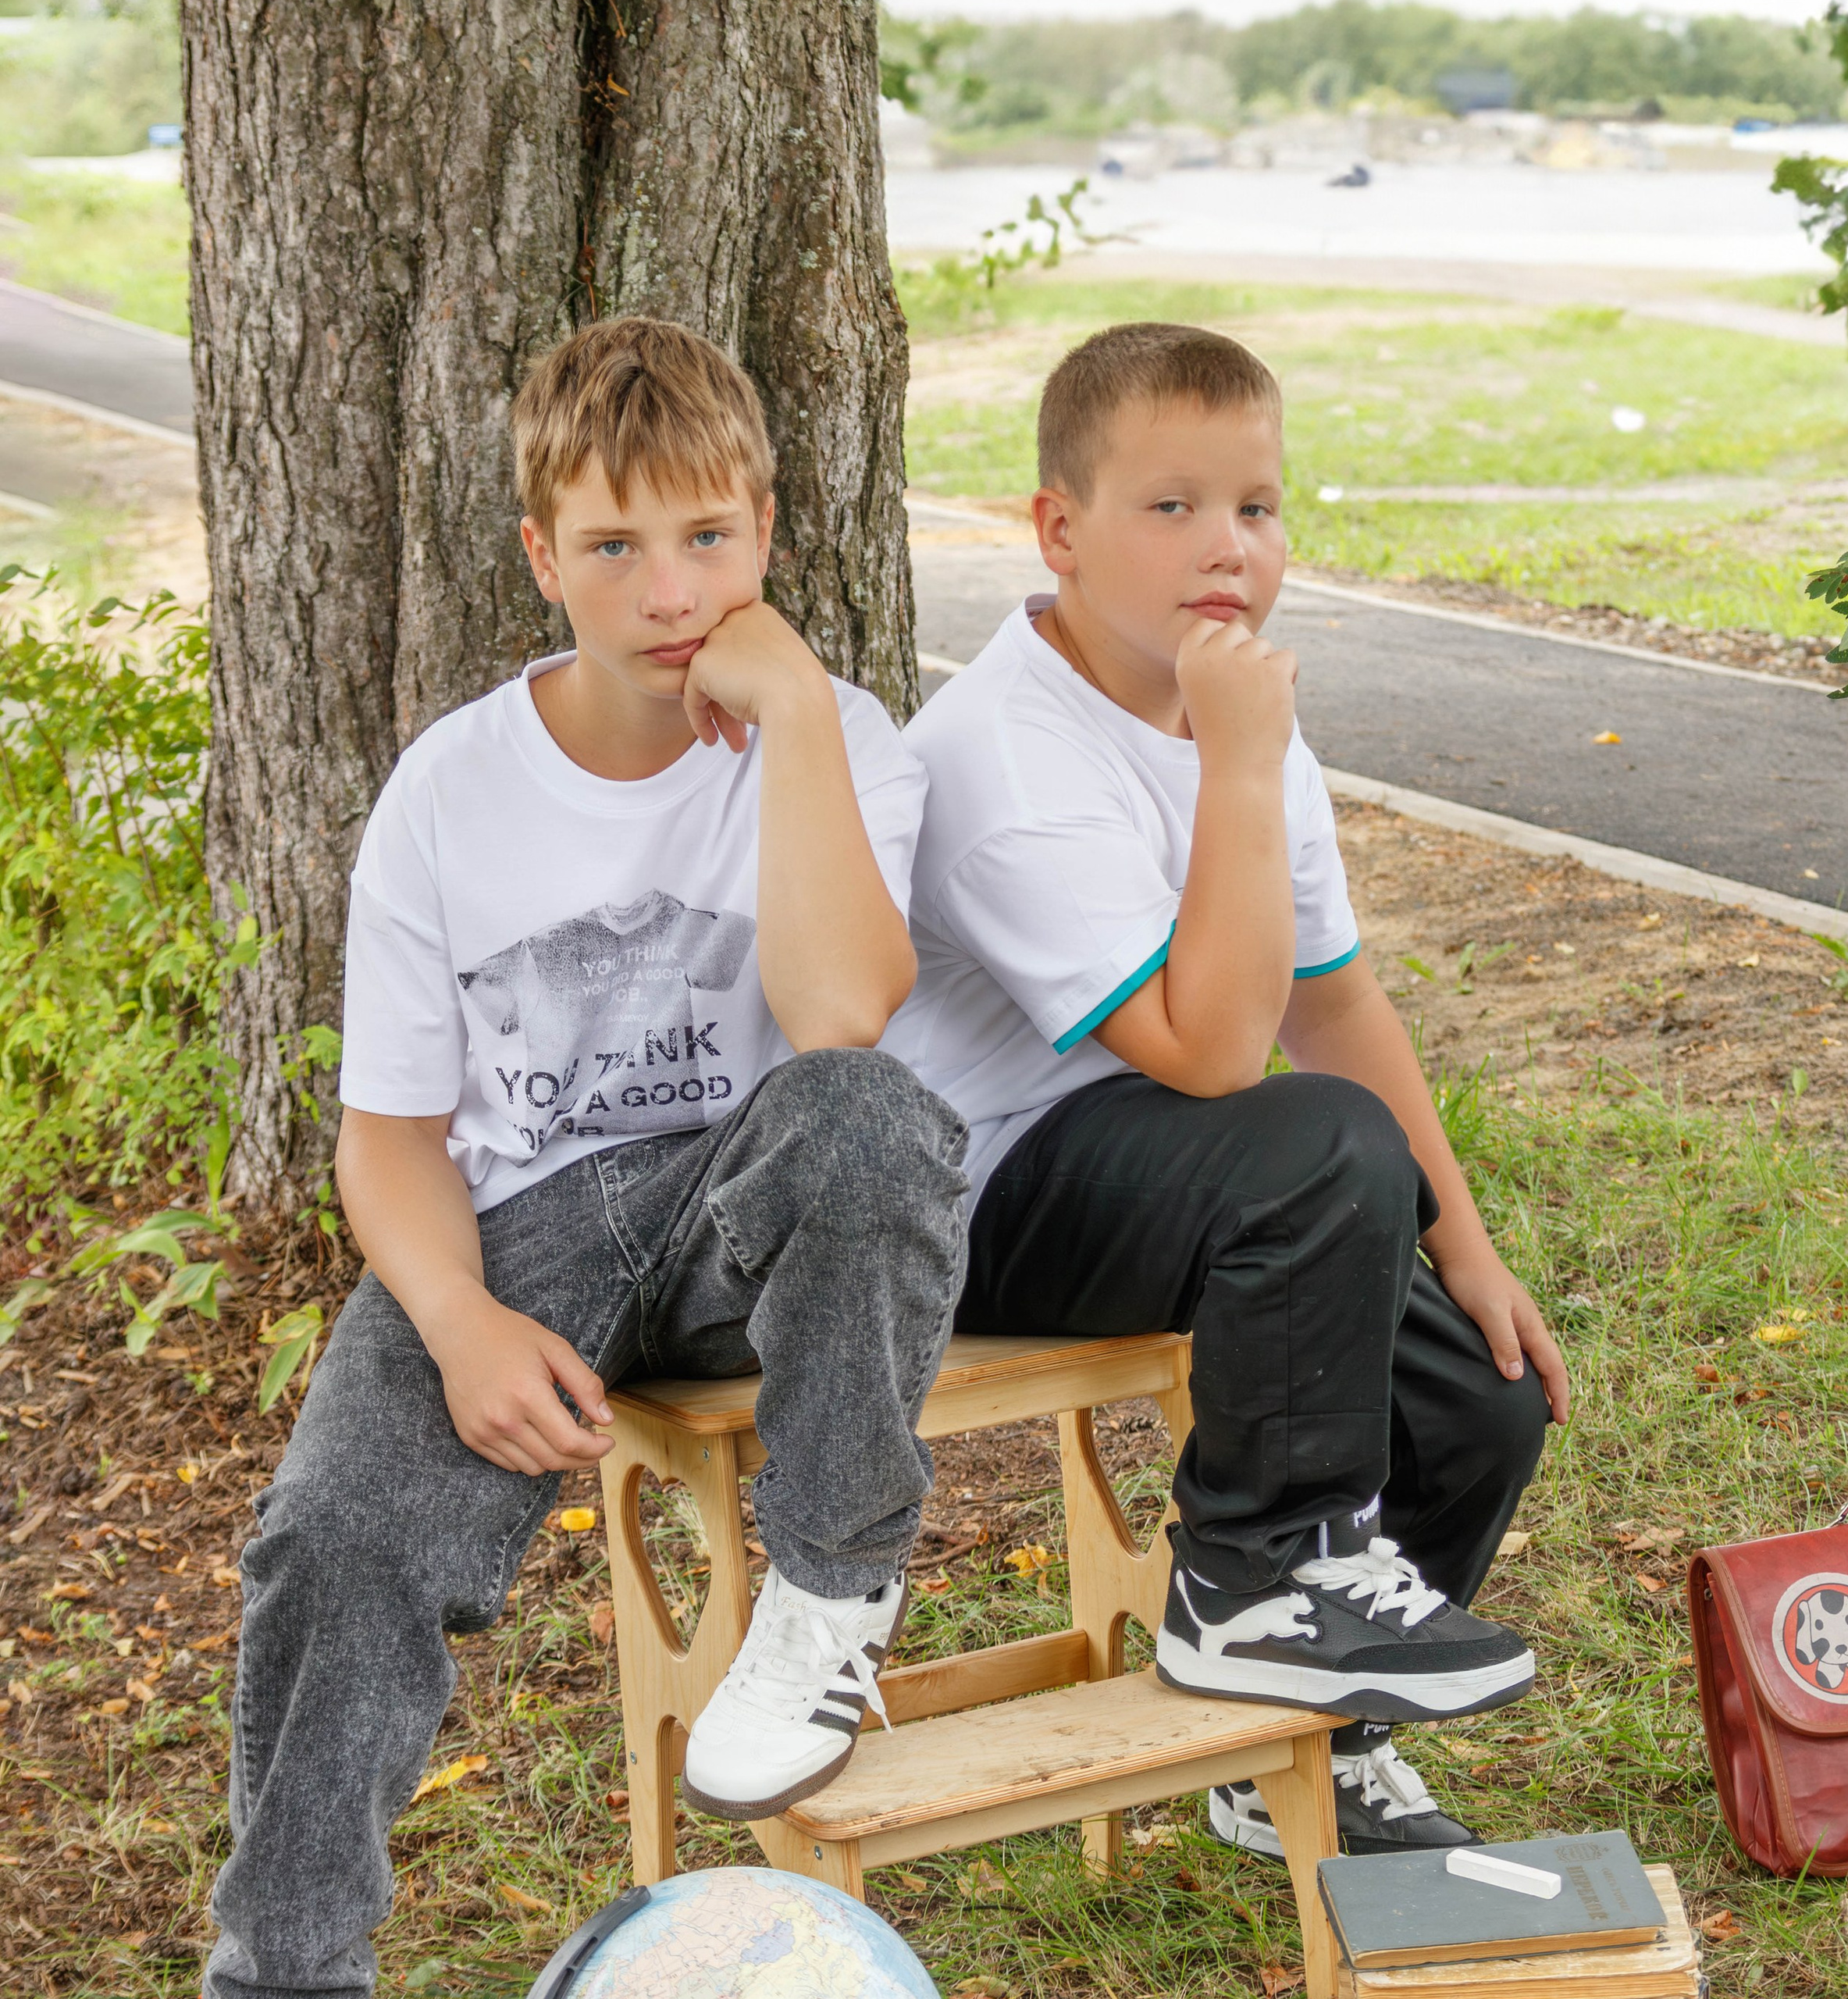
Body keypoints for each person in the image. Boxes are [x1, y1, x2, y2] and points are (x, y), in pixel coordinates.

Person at [204, 319, 968, 1999]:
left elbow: (841, 1013)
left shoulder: (838, 738)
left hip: (739, 1221)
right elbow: (388, 1135)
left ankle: (834, 1590)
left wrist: (791, 722)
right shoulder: (451, 790)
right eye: (614, 545)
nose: (668, 588)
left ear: (765, 530)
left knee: (870, 1118)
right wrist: (462, 1324)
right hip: (515, 1235)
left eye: (707, 537)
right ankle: (284, 1970)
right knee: (333, 1538)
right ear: (543, 557)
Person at [885, 322, 1570, 1860]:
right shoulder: (1005, 753)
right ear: (1055, 530)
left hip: (1172, 1167)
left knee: (1480, 1388)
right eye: (1171, 506)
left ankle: (1303, 1746)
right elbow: (1215, 1053)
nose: (1225, 548)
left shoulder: (1230, 707)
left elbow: (1329, 1001)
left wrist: (1463, 1245)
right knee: (1318, 1146)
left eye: (1254, 508)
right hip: (975, 1196)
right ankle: (1249, 1582)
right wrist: (1239, 772)